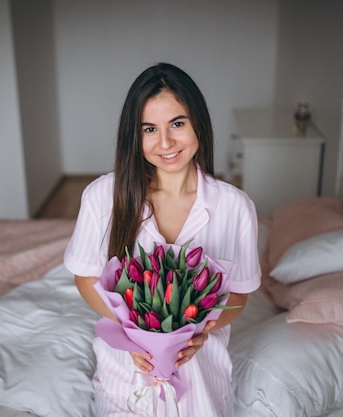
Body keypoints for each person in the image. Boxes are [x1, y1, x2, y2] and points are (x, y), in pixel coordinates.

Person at [64, 62, 261, 416]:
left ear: (198, 123)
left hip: (203, 380)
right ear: (134, 136)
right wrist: (133, 332)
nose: (166, 142)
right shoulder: (101, 197)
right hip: (125, 375)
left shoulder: (236, 208)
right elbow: (85, 278)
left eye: (178, 124)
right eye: (150, 129)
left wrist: (202, 334)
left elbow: (240, 294)